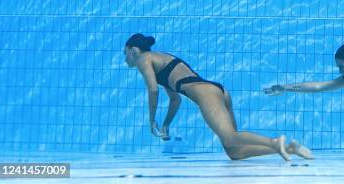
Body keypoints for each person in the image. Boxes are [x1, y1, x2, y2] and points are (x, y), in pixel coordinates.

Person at [124, 33, 313, 161]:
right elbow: (175, 100)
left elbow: (152, 91)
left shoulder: (144, 59)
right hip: (218, 91)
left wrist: (151, 121)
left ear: (134, 51)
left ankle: (274, 141)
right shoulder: (161, 60)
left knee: (231, 136)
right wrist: (165, 125)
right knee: (234, 150)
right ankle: (289, 148)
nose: (126, 60)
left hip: (206, 93)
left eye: (126, 55)